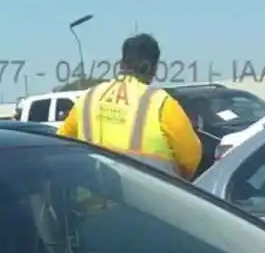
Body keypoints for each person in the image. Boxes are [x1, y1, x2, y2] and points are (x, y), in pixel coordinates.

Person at [57, 34, 204, 179]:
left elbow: (61, 142)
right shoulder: (161, 103)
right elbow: (191, 156)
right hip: (146, 199)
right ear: (152, 68)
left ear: (122, 63)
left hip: (93, 194)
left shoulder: (88, 97)